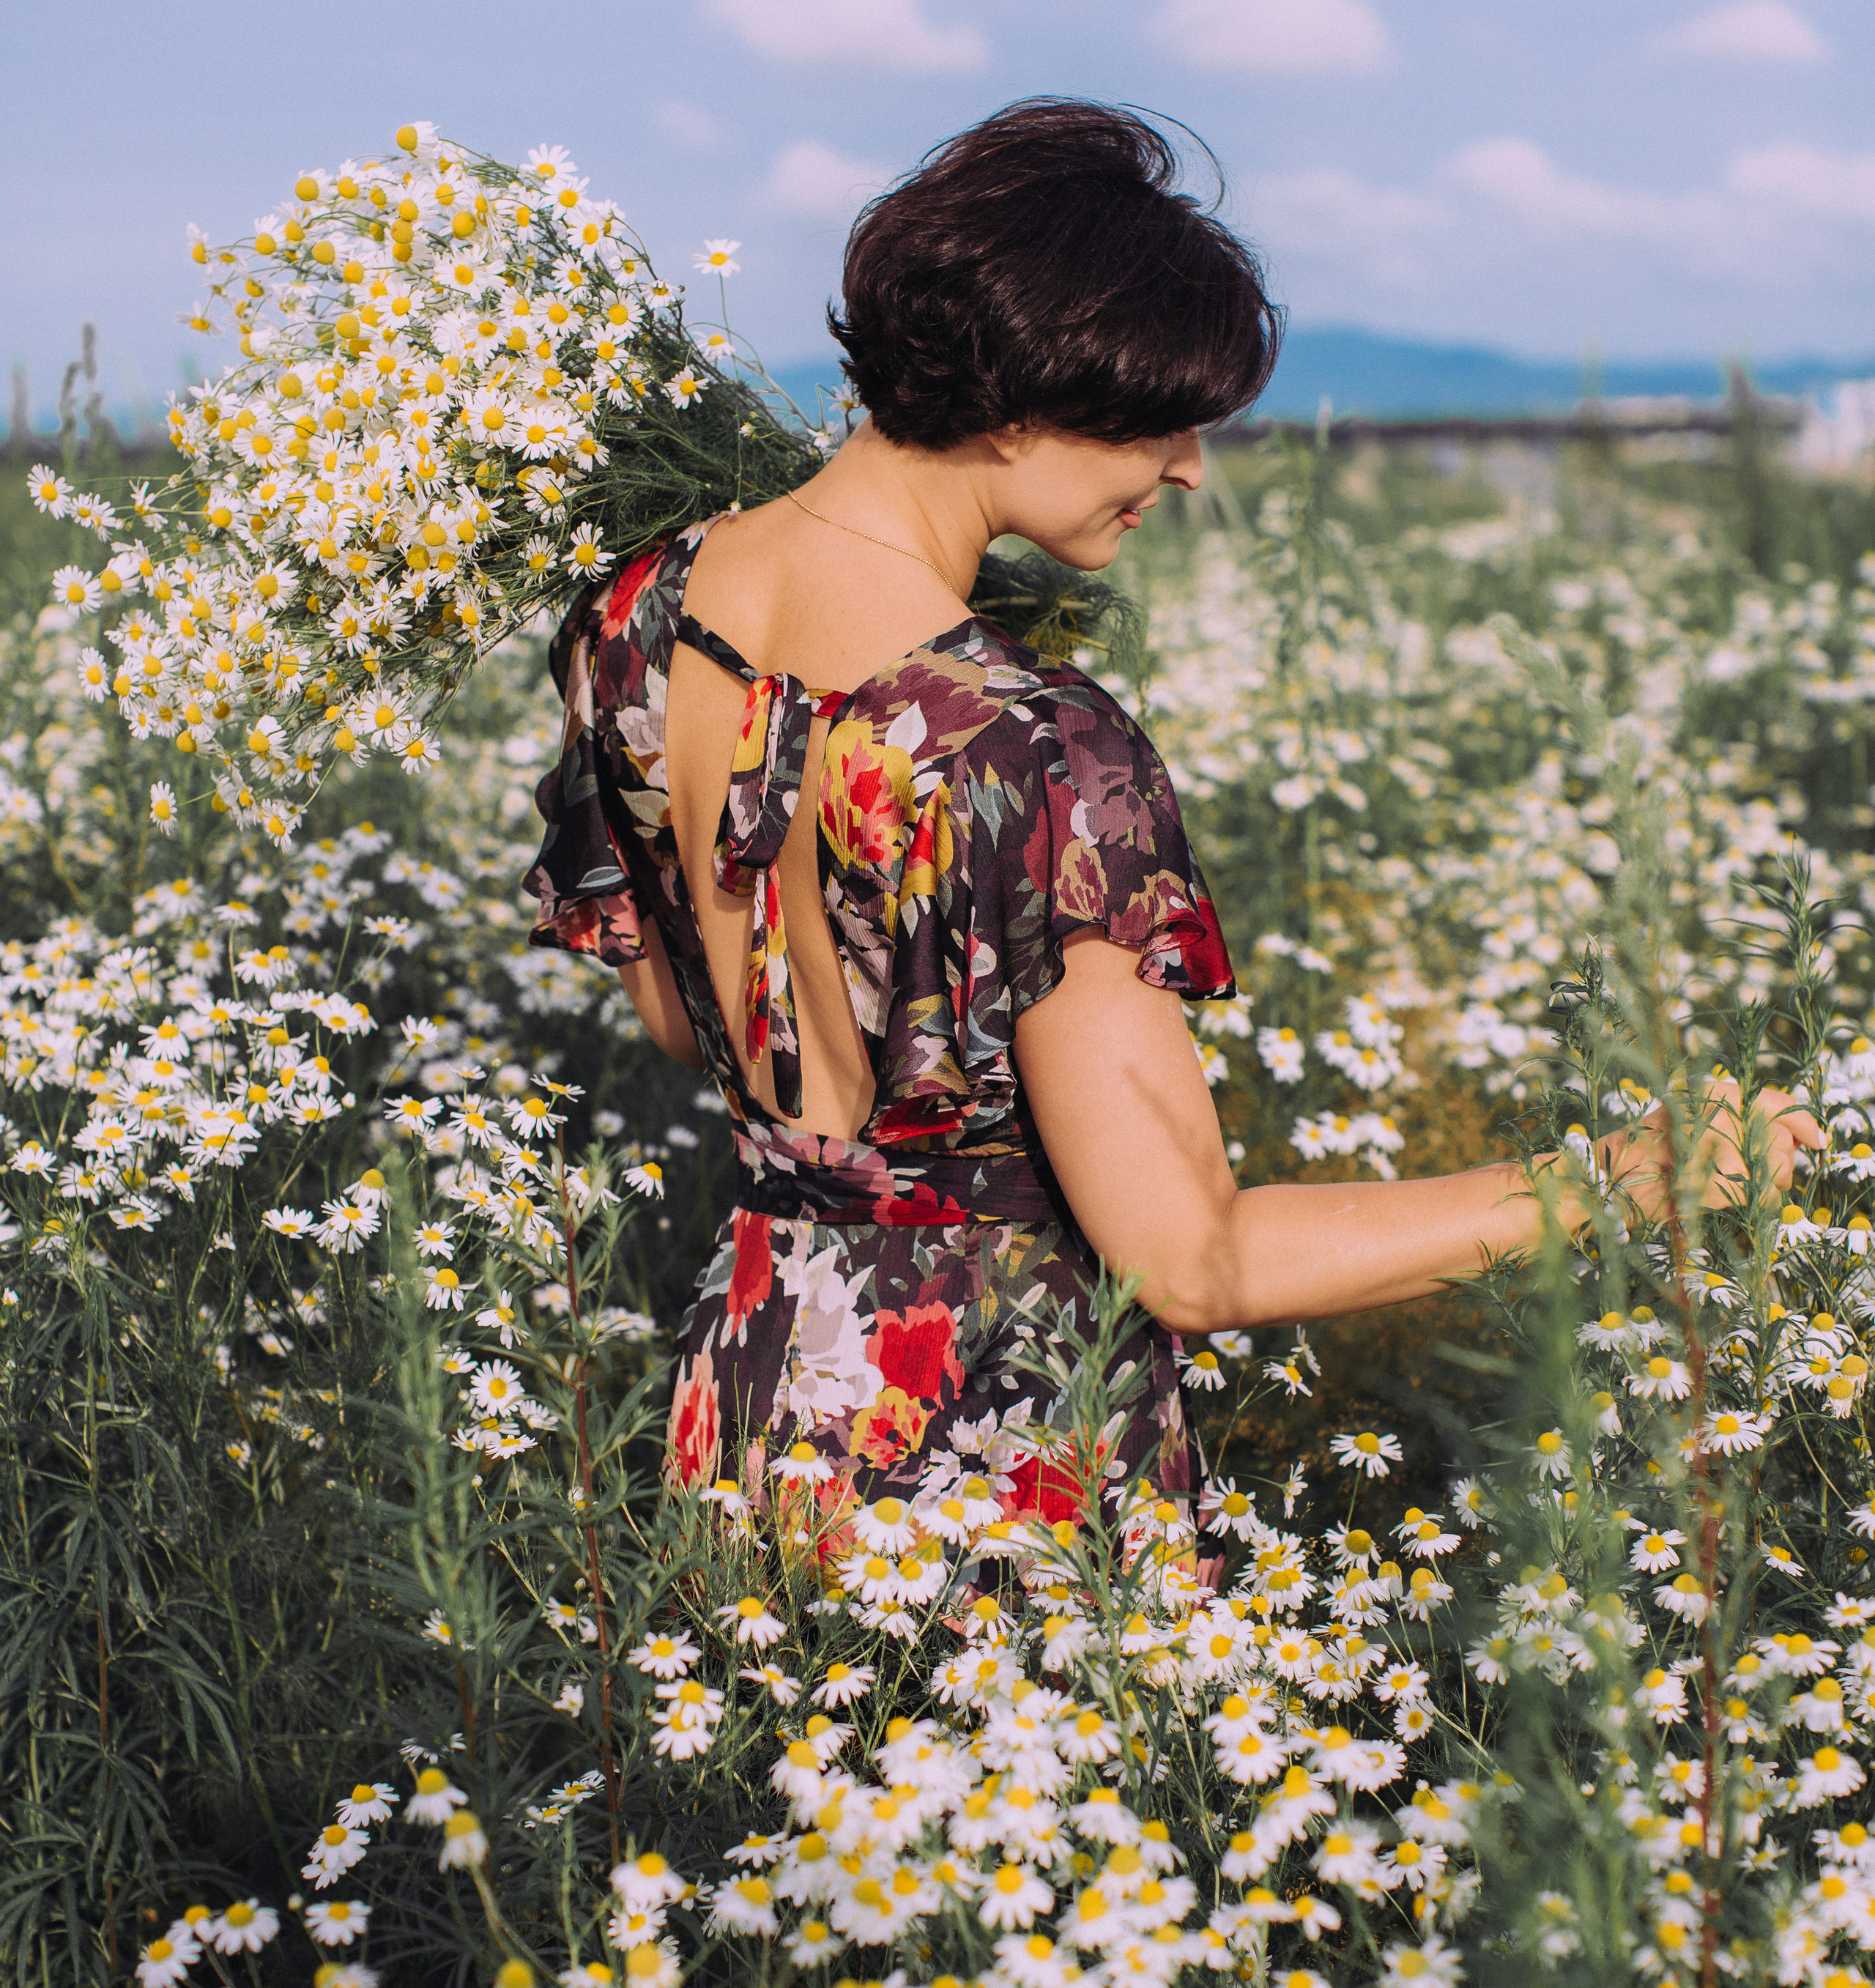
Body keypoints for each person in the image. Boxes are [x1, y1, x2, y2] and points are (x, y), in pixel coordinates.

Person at [524, 98, 1820, 1551]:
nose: (1191, 465)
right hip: (987, 1461)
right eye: (1156, 415)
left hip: (748, 1414)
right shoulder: (1032, 746)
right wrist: (1615, 1183)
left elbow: (681, 1020)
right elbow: (1193, 1266)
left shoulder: (631, 615)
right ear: (1017, 396)